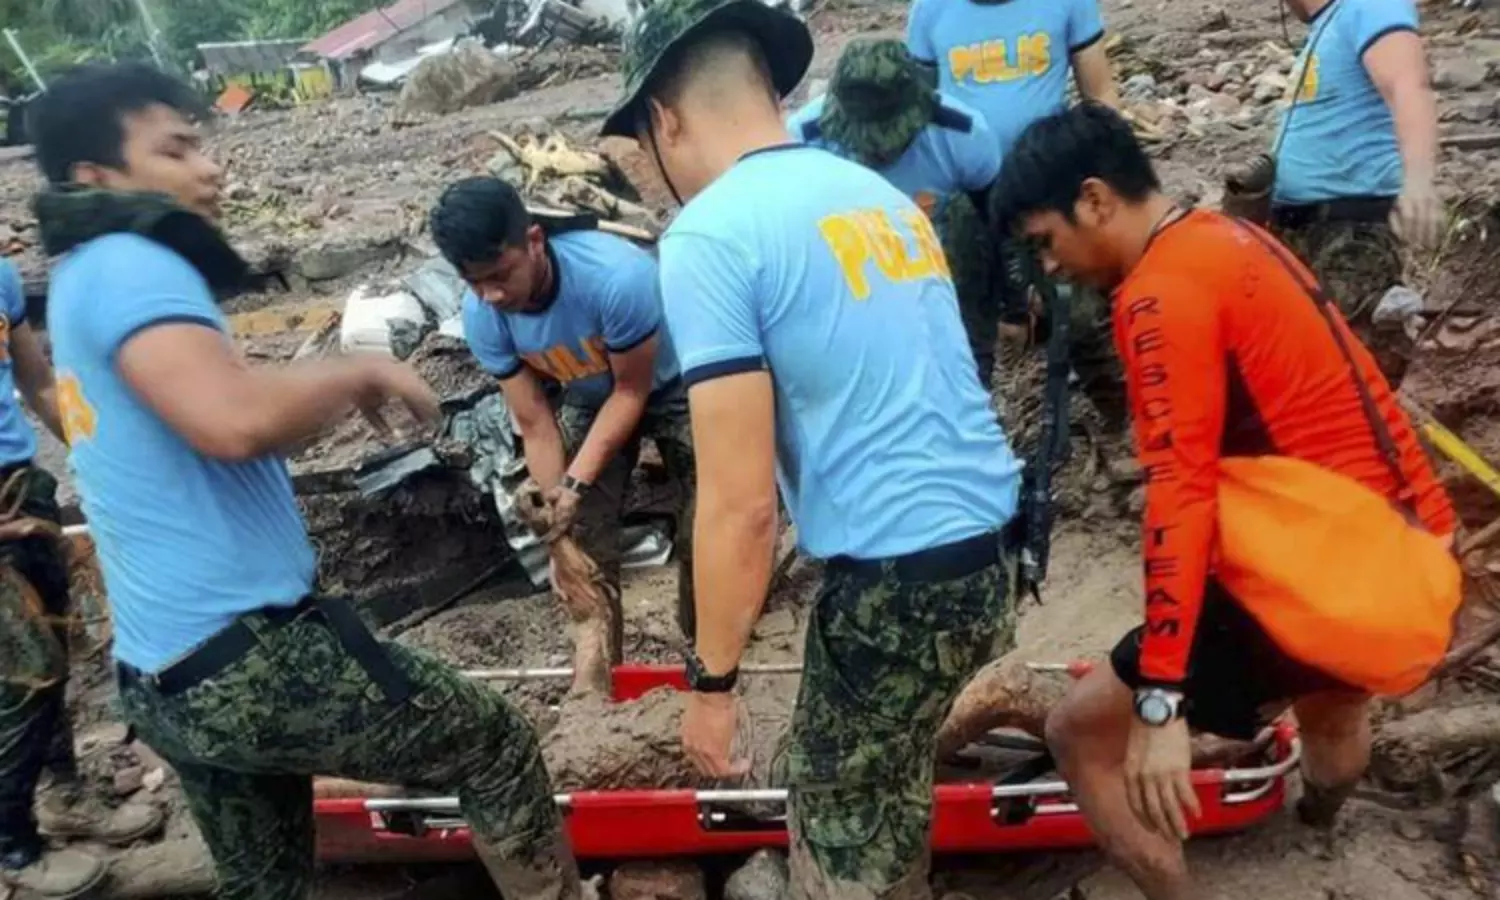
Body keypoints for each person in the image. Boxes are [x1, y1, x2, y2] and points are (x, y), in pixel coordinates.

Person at [30, 62, 592, 900]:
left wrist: (313, 392)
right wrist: (359, 370)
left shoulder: (79, 277)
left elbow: (211, 398)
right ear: (96, 177)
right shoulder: (134, 264)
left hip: (161, 678)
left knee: (266, 884)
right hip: (248, 664)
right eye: (174, 150)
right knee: (493, 743)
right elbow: (232, 420)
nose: (209, 168)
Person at [602, 2, 1025, 897]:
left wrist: (712, 687)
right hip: (990, 556)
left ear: (664, 120)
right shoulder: (877, 197)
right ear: (767, 86)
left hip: (897, 587)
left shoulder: (710, 234)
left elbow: (740, 502)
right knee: (887, 784)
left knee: (840, 840)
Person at [991, 103, 1457, 900]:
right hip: (1389, 553)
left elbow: (1180, 497)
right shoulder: (1237, 239)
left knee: (1077, 734)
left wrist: (1161, 701)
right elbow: (1365, 391)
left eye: (1045, 241)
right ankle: (1319, 824)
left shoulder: (1155, 296)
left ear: (1094, 199)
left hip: (1303, 574)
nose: (1051, 267)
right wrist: (1434, 530)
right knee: (1332, 704)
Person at [429, 176, 697, 641]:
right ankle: (600, 653)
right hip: (592, 395)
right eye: (474, 282)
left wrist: (574, 483)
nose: (491, 295)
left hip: (672, 384)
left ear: (534, 241)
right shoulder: (482, 316)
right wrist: (558, 530)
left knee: (709, 517)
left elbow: (631, 392)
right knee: (583, 533)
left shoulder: (614, 278)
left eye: (500, 275)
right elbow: (535, 422)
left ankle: (708, 639)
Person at [0, 253, 164, 897]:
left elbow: (40, 384)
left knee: (55, 656)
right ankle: (12, 846)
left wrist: (103, 453)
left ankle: (63, 795)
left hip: (21, 491)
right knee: (23, 674)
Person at [906, 0, 1128, 434]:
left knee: (1079, 311)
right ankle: (971, 434)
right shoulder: (930, 10)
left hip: (1045, 182)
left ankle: (1122, 418)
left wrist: (1114, 172)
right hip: (964, 193)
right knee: (964, 324)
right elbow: (918, 111)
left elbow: (1100, 93)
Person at [785, 38, 1007, 388]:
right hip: (849, 266)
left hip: (941, 264)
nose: (879, 152)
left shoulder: (963, 133)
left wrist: (1014, 306)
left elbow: (1001, 224)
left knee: (965, 214)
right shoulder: (802, 140)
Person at [1264, 0, 1441, 388]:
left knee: (1355, 363)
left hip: (1350, 225)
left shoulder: (1369, 5)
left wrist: (1419, 181)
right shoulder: (1331, 22)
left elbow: (1407, 86)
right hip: (1308, 225)